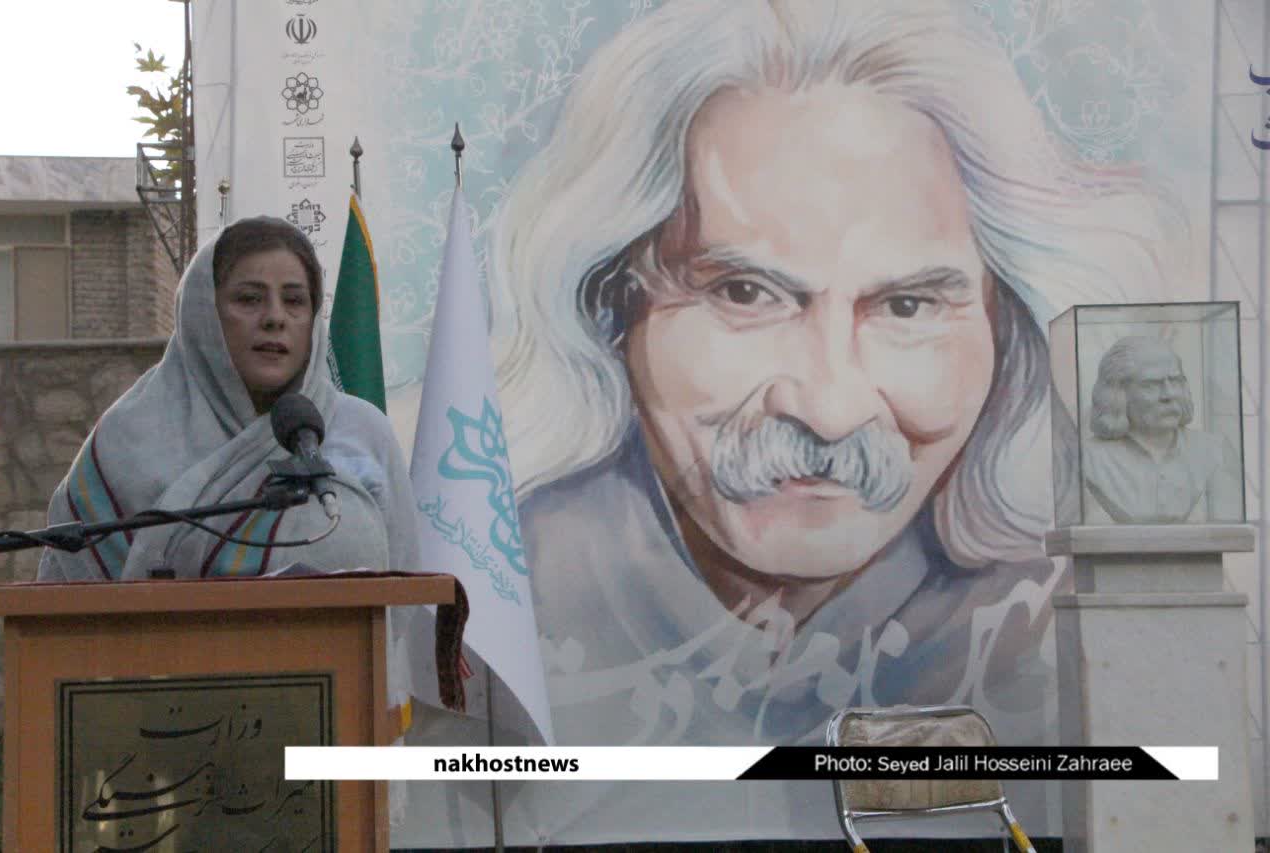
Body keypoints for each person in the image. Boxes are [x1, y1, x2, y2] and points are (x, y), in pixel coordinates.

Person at [390, 0, 1187, 843]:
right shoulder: (493, 593)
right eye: (745, 293)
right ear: (612, 303)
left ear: (1004, 322)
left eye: (908, 305)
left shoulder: (1055, 615)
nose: (830, 406)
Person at [38, 216, 420, 582]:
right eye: (249, 299)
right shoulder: (125, 441)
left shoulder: (362, 430)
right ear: (204, 314)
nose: (275, 318)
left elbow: (405, 594)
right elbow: (69, 605)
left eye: (294, 301)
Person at [1084, 336, 1242, 523]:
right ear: (1117, 393)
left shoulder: (1213, 450)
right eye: (1150, 385)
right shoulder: (1089, 458)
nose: (1169, 394)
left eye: (1175, 381)